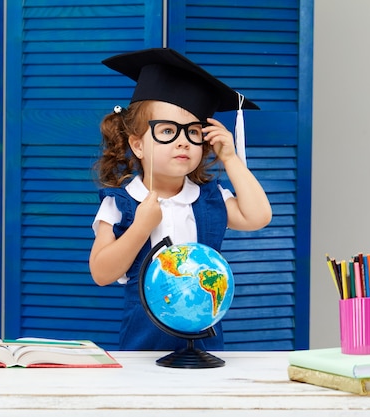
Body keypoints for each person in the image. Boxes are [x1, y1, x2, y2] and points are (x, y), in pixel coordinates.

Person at [89, 48, 272, 351]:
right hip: (143, 343)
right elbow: (101, 272)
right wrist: (140, 227)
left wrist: (230, 158)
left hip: (204, 342)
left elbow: (258, 216)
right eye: (168, 131)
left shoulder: (209, 198)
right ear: (137, 145)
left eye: (193, 133)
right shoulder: (122, 202)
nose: (183, 141)